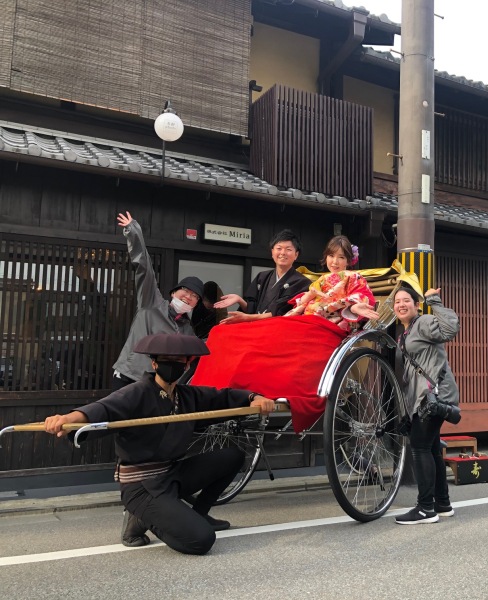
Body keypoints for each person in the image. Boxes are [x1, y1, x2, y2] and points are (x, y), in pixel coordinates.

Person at [43, 333, 275, 555]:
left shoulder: (187, 396)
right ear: (154, 364)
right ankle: (143, 517)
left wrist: (254, 397)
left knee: (232, 456)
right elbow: (103, 409)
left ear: (186, 366)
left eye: (178, 362)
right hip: (142, 486)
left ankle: (199, 513)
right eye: (166, 361)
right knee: (201, 541)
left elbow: (222, 397)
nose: (172, 366)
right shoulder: (136, 393)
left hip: (171, 475)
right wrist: (67, 420)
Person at [111, 211, 204, 391]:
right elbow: (144, 267)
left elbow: (199, 354)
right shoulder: (151, 302)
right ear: (173, 292)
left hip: (157, 386)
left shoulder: (187, 330)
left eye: (194, 296)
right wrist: (133, 231)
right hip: (128, 376)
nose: (188, 297)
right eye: (185, 290)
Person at [393, 285, 460, 525]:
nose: (401, 304)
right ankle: (442, 503)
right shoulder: (404, 334)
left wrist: (435, 300)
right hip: (423, 399)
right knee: (431, 449)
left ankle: (425, 508)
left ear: (416, 304)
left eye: (406, 300)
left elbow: (450, 328)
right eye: (397, 302)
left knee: (420, 448)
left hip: (434, 396)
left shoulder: (422, 323)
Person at [214, 229, 310, 324]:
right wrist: (239, 300)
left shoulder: (302, 283)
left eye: (288, 249)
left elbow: (282, 312)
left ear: (296, 255)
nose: (283, 253)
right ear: (272, 252)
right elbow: (251, 310)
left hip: (278, 330)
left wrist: (248, 318)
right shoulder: (262, 277)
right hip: (254, 327)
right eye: (279, 248)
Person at [284, 235, 379, 331]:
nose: (335, 262)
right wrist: (310, 294)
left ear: (348, 261)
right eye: (331, 255)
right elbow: (302, 303)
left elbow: (363, 296)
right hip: (307, 320)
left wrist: (353, 308)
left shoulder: (353, 277)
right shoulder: (321, 279)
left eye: (341, 257)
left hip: (329, 326)